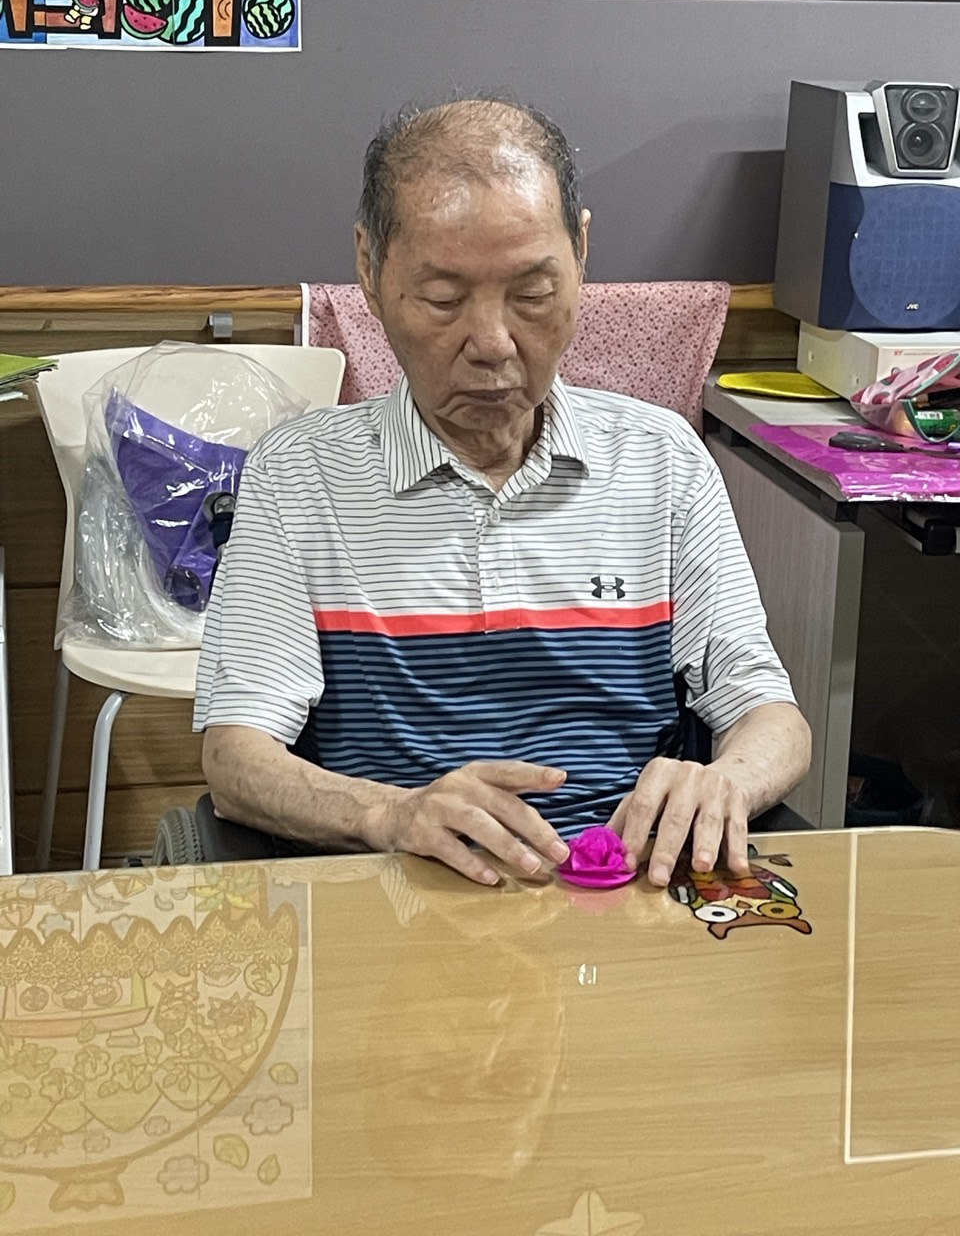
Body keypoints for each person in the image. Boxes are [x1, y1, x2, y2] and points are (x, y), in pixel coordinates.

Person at [194, 96, 811, 888]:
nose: (491, 344)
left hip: (626, 897)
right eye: (443, 298)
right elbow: (236, 760)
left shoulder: (661, 459)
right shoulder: (300, 475)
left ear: (581, 252)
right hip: (398, 899)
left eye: (532, 293)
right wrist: (392, 814)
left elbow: (770, 715)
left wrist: (728, 782)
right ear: (369, 270)